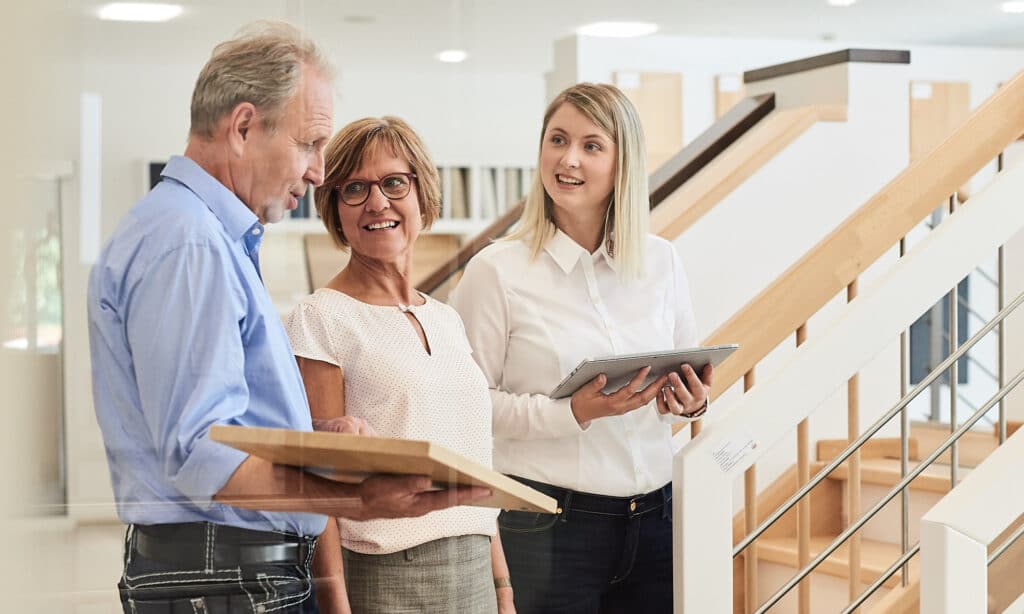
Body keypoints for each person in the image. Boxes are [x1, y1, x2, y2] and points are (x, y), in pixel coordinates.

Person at [87, 23, 488, 614]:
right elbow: (202, 453)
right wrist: (355, 499)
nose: (319, 172)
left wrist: (316, 441)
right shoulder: (190, 244)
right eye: (309, 144)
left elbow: (218, 425)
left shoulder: (205, 238)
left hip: (231, 571)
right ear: (244, 127)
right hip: (224, 575)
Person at [449, 82, 713, 613]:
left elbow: (688, 373)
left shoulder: (662, 262)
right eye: (557, 140)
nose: (568, 160)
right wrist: (571, 413)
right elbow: (466, 407)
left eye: (592, 146)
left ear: (622, 164)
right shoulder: (496, 272)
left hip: (657, 521)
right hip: (546, 527)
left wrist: (691, 401)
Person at [284, 116, 514, 614]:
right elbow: (319, 486)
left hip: (475, 566)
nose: (377, 203)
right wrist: (334, 600)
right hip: (387, 575)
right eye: (355, 189)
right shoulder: (321, 317)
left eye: (393, 183)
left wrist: (503, 587)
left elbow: (473, 462)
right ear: (334, 208)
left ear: (421, 192)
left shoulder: (447, 319)